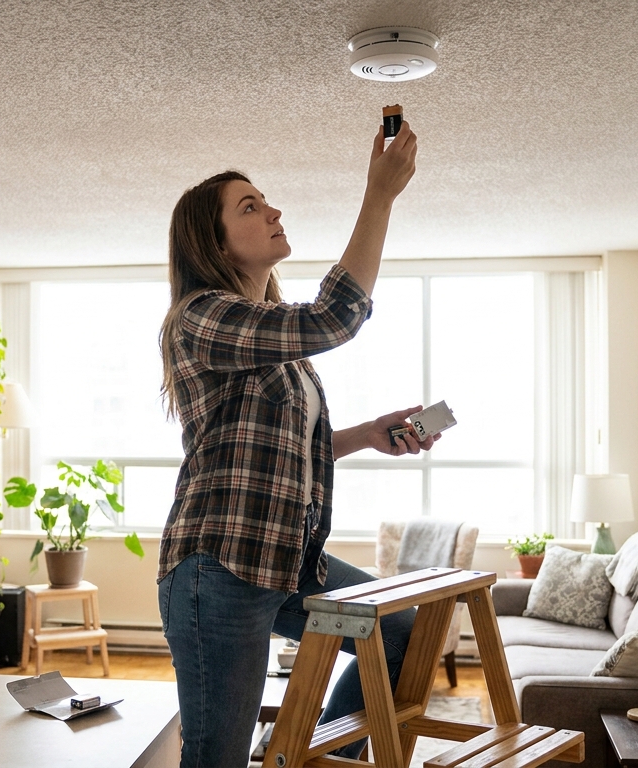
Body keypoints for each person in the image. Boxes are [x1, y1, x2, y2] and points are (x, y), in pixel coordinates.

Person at [157, 122, 436, 767]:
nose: (272, 210)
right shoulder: (200, 316)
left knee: (403, 632)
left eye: (265, 199)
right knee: (215, 757)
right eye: (249, 207)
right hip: (218, 569)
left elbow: (285, 455)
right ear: (214, 241)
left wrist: (367, 436)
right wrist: (380, 195)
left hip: (285, 564)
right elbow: (335, 318)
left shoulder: (279, 352)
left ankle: (294, 757)